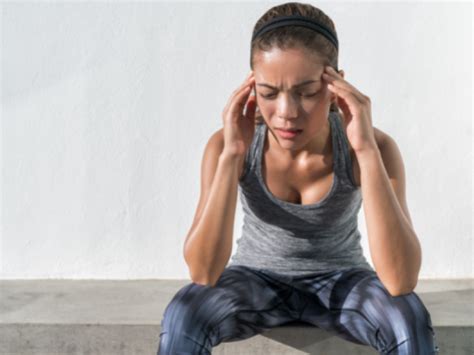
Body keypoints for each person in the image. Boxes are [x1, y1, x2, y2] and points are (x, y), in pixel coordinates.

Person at [157, 2, 440, 354]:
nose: (287, 113)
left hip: (344, 282)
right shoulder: (226, 145)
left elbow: (400, 280)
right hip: (253, 281)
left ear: (337, 86)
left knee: (406, 315)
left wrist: (365, 150)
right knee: (183, 312)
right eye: (269, 93)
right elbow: (203, 273)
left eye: (306, 93)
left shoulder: (373, 146)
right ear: (250, 89)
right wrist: (232, 155)